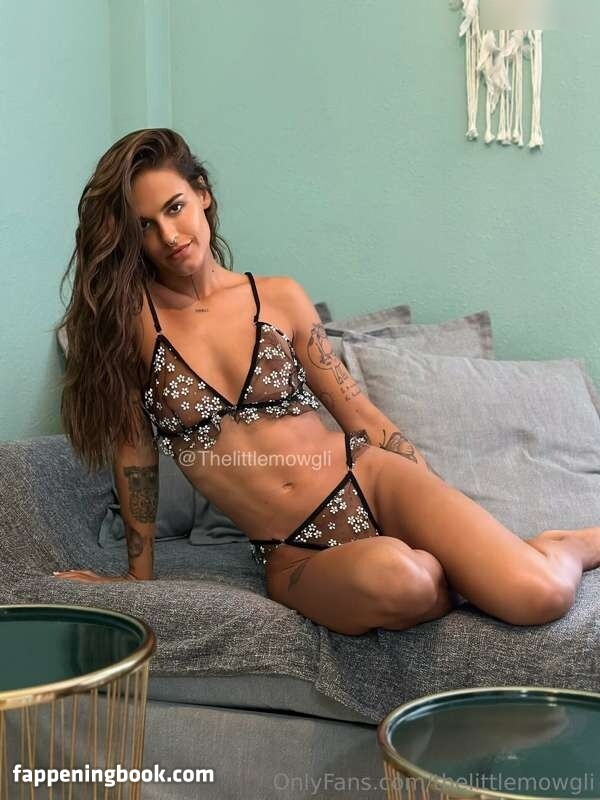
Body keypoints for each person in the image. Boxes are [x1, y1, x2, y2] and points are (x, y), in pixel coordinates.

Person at [54, 128, 600, 636]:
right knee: (408, 581)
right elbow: (135, 452)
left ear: (202, 195)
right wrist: (138, 576)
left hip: (372, 479)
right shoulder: (132, 325)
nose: (169, 235)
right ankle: (453, 566)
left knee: (542, 594)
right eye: (145, 225)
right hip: (294, 551)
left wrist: (441, 501)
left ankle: (569, 546)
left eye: (175, 208)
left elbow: (358, 415)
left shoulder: (279, 297)